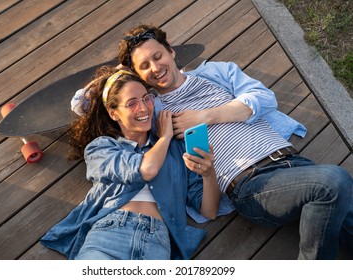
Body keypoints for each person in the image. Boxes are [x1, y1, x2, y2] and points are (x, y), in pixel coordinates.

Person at [71, 25, 353, 259]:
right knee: (334, 181)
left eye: (158, 56)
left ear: (172, 51)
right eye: (144, 66)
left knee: (343, 202)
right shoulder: (153, 108)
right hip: (250, 183)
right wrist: (121, 71)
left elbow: (264, 99)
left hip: (291, 161)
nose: (155, 68)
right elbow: (81, 104)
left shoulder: (217, 73)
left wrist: (203, 117)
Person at [41, 66, 220, 260]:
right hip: (110, 234)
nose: (143, 108)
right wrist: (165, 137)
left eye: (146, 98)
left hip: (157, 241)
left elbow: (209, 211)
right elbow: (147, 169)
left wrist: (209, 175)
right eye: (131, 103)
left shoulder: (176, 150)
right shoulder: (101, 148)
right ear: (114, 113)